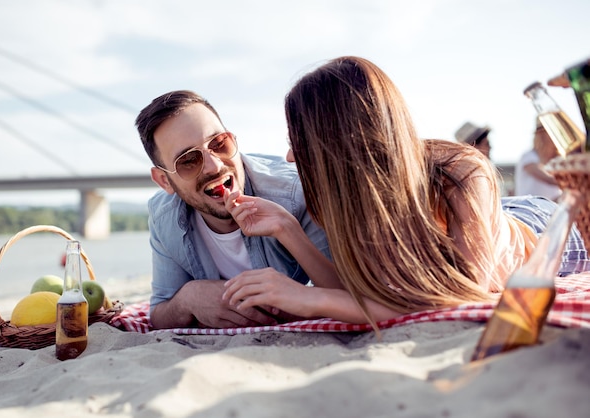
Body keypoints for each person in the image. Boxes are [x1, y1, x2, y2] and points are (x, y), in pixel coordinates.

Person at [222, 56, 590, 328]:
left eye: (297, 140)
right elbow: (353, 290)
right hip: (479, 221)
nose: (289, 155)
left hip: (544, 230)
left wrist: (309, 298)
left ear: (337, 140)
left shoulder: (461, 170)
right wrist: (288, 229)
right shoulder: (349, 197)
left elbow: (459, 297)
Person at [135, 90, 339, 329]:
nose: (215, 166)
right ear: (164, 181)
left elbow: (349, 296)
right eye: (189, 161)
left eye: (219, 143)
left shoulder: (296, 193)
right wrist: (188, 298)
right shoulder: (163, 217)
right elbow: (159, 313)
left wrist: (287, 228)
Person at [514, 118, 561, 201]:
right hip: (530, 212)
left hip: (550, 211)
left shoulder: (557, 161)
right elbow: (548, 179)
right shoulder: (528, 157)